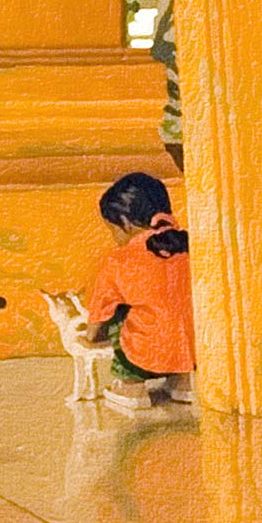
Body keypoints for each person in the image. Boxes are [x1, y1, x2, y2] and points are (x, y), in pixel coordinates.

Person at [86, 172, 195, 411]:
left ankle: (131, 386)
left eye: (113, 229)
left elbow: (99, 314)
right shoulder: (192, 247)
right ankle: (183, 382)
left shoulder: (119, 260)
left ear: (126, 222)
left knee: (119, 310)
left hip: (145, 354)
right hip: (193, 350)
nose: (115, 238)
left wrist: (91, 336)